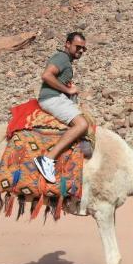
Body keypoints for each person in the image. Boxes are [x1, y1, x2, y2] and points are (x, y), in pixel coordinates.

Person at [33, 31, 90, 183]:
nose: (80, 51)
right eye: (78, 47)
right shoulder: (62, 58)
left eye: (83, 49)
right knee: (82, 124)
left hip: (56, 98)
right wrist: (67, 90)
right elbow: (46, 75)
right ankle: (47, 159)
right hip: (52, 98)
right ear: (67, 44)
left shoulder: (66, 61)